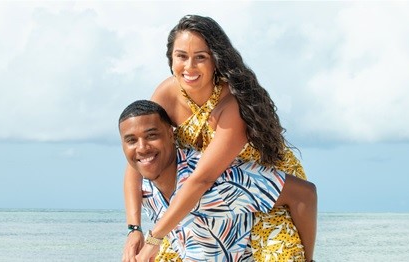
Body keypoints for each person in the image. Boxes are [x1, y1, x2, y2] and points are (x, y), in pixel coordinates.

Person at [122, 15, 317, 262]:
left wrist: (155, 237)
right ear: (171, 59)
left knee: (284, 256)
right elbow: (138, 160)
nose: (189, 67)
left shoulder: (232, 104)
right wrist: (134, 229)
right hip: (213, 196)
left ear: (216, 60)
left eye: (200, 57)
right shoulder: (166, 93)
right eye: (181, 56)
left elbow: (202, 178)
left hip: (264, 190)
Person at [119, 100, 313, 261]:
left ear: (171, 134)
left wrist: (309, 259)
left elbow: (304, 193)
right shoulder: (145, 189)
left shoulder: (222, 181)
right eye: (131, 140)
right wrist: (134, 229)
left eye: (151, 136)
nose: (142, 147)